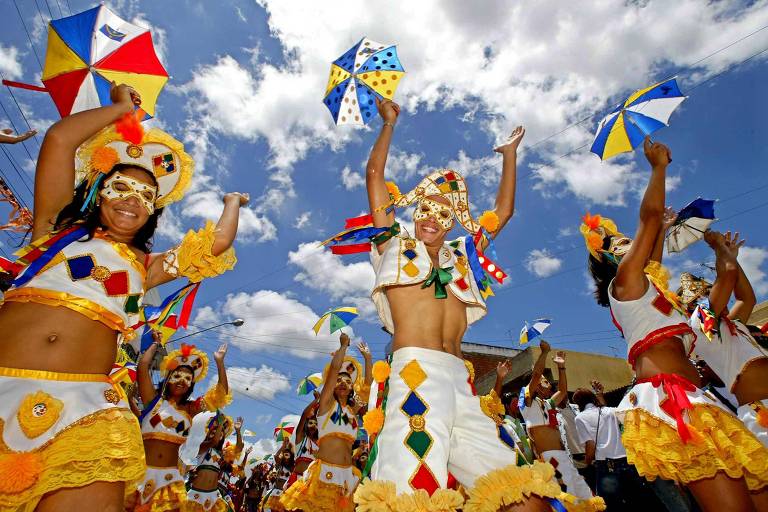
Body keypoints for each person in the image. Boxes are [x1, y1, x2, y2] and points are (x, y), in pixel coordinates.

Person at [0, 83, 246, 512]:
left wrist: (231, 203)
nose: (134, 199)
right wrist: (119, 110)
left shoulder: (144, 267)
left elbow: (215, 246)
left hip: (86, 414)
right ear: (98, 190)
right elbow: (59, 140)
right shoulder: (53, 231)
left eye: (147, 195)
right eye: (121, 187)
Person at [353, 98, 601, 512]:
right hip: (415, 376)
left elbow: (504, 212)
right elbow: (375, 175)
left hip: (462, 385)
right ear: (415, 212)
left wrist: (510, 156)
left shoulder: (461, 258)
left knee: (522, 493)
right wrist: (389, 125)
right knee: (414, 498)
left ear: (453, 220)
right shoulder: (393, 245)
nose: (433, 217)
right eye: (426, 208)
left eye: (444, 212)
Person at [583, 137, 768, 511]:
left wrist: (664, 231)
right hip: (672, 402)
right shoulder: (624, 286)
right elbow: (647, 222)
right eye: (620, 245)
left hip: (701, 400)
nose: (630, 246)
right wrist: (658, 168)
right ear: (607, 261)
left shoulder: (655, 291)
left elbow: (653, 256)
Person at [686, 231, 768, 450]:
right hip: (762, 410)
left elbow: (746, 298)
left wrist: (732, 256)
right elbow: (728, 274)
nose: (720, 296)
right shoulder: (701, 325)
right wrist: (718, 248)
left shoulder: (733, 324)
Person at [133, 339, 232, 511]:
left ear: (191, 385)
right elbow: (143, 366)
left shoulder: (190, 409)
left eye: (188, 378)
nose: (182, 381)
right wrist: (156, 343)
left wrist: (220, 363)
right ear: (168, 379)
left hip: (169, 481)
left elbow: (220, 394)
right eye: (177, 376)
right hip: (139, 474)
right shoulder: (152, 400)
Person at [282, 334, 372, 512]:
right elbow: (333, 370)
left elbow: (367, 387)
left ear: (352, 387)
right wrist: (343, 347)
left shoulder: (352, 412)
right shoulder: (325, 406)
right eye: (339, 380)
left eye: (348, 381)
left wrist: (368, 359)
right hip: (323, 476)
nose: (342, 383)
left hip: (347, 476)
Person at [518, 343, 594, 501]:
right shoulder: (527, 403)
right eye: (544, 381)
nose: (547, 384)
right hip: (548, 458)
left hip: (562, 455)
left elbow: (563, 391)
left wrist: (561, 367)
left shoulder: (546, 403)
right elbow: (537, 374)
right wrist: (544, 353)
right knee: (566, 499)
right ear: (535, 386)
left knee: (581, 498)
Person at [573, 381, 647, 511]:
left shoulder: (580, 418)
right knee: (637, 500)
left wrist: (587, 462)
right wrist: (599, 395)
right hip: (627, 461)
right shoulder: (610, 411)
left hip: (606, 466)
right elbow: (604, 412)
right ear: (592, 398)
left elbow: (590, 444)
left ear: (579, 404)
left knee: (611, 505)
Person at [180, 411, 245, 512]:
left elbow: (239, 449)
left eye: (220, 433)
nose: (217, 434)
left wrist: (238, 431)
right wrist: (219, 425)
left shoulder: (222, 455)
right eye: (213, 432)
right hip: (196, 494)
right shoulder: (203, 446)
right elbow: (214, 441)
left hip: (214, 495)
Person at [493, 360, 535, 464]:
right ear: (506, 406)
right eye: (514, 402)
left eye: (518, 402)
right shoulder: (507, 424)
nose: (517, 405)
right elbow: (518, 446)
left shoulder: (518, 422)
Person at [285, 393, 320, 488]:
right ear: (306, 425)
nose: (313, 425)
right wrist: (316, 400)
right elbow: (304, 414)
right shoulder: (300, 437)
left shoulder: (319, 445)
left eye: (316, 424)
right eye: (311, 423)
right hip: (296, 480)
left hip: (310, 484)